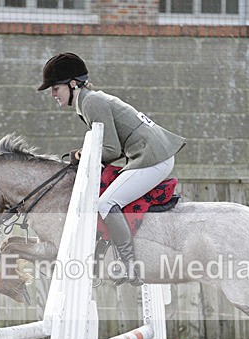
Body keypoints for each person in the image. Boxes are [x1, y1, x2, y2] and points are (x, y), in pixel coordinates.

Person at [38, 52, 186, 286]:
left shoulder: (90, 102)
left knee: (105, 203)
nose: (53, 94)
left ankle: (129, 266)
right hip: (151, 153)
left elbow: (110, 149)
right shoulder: (88, 100)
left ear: (73, 84)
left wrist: (80, 154)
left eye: (56, 88)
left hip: (152, 157)